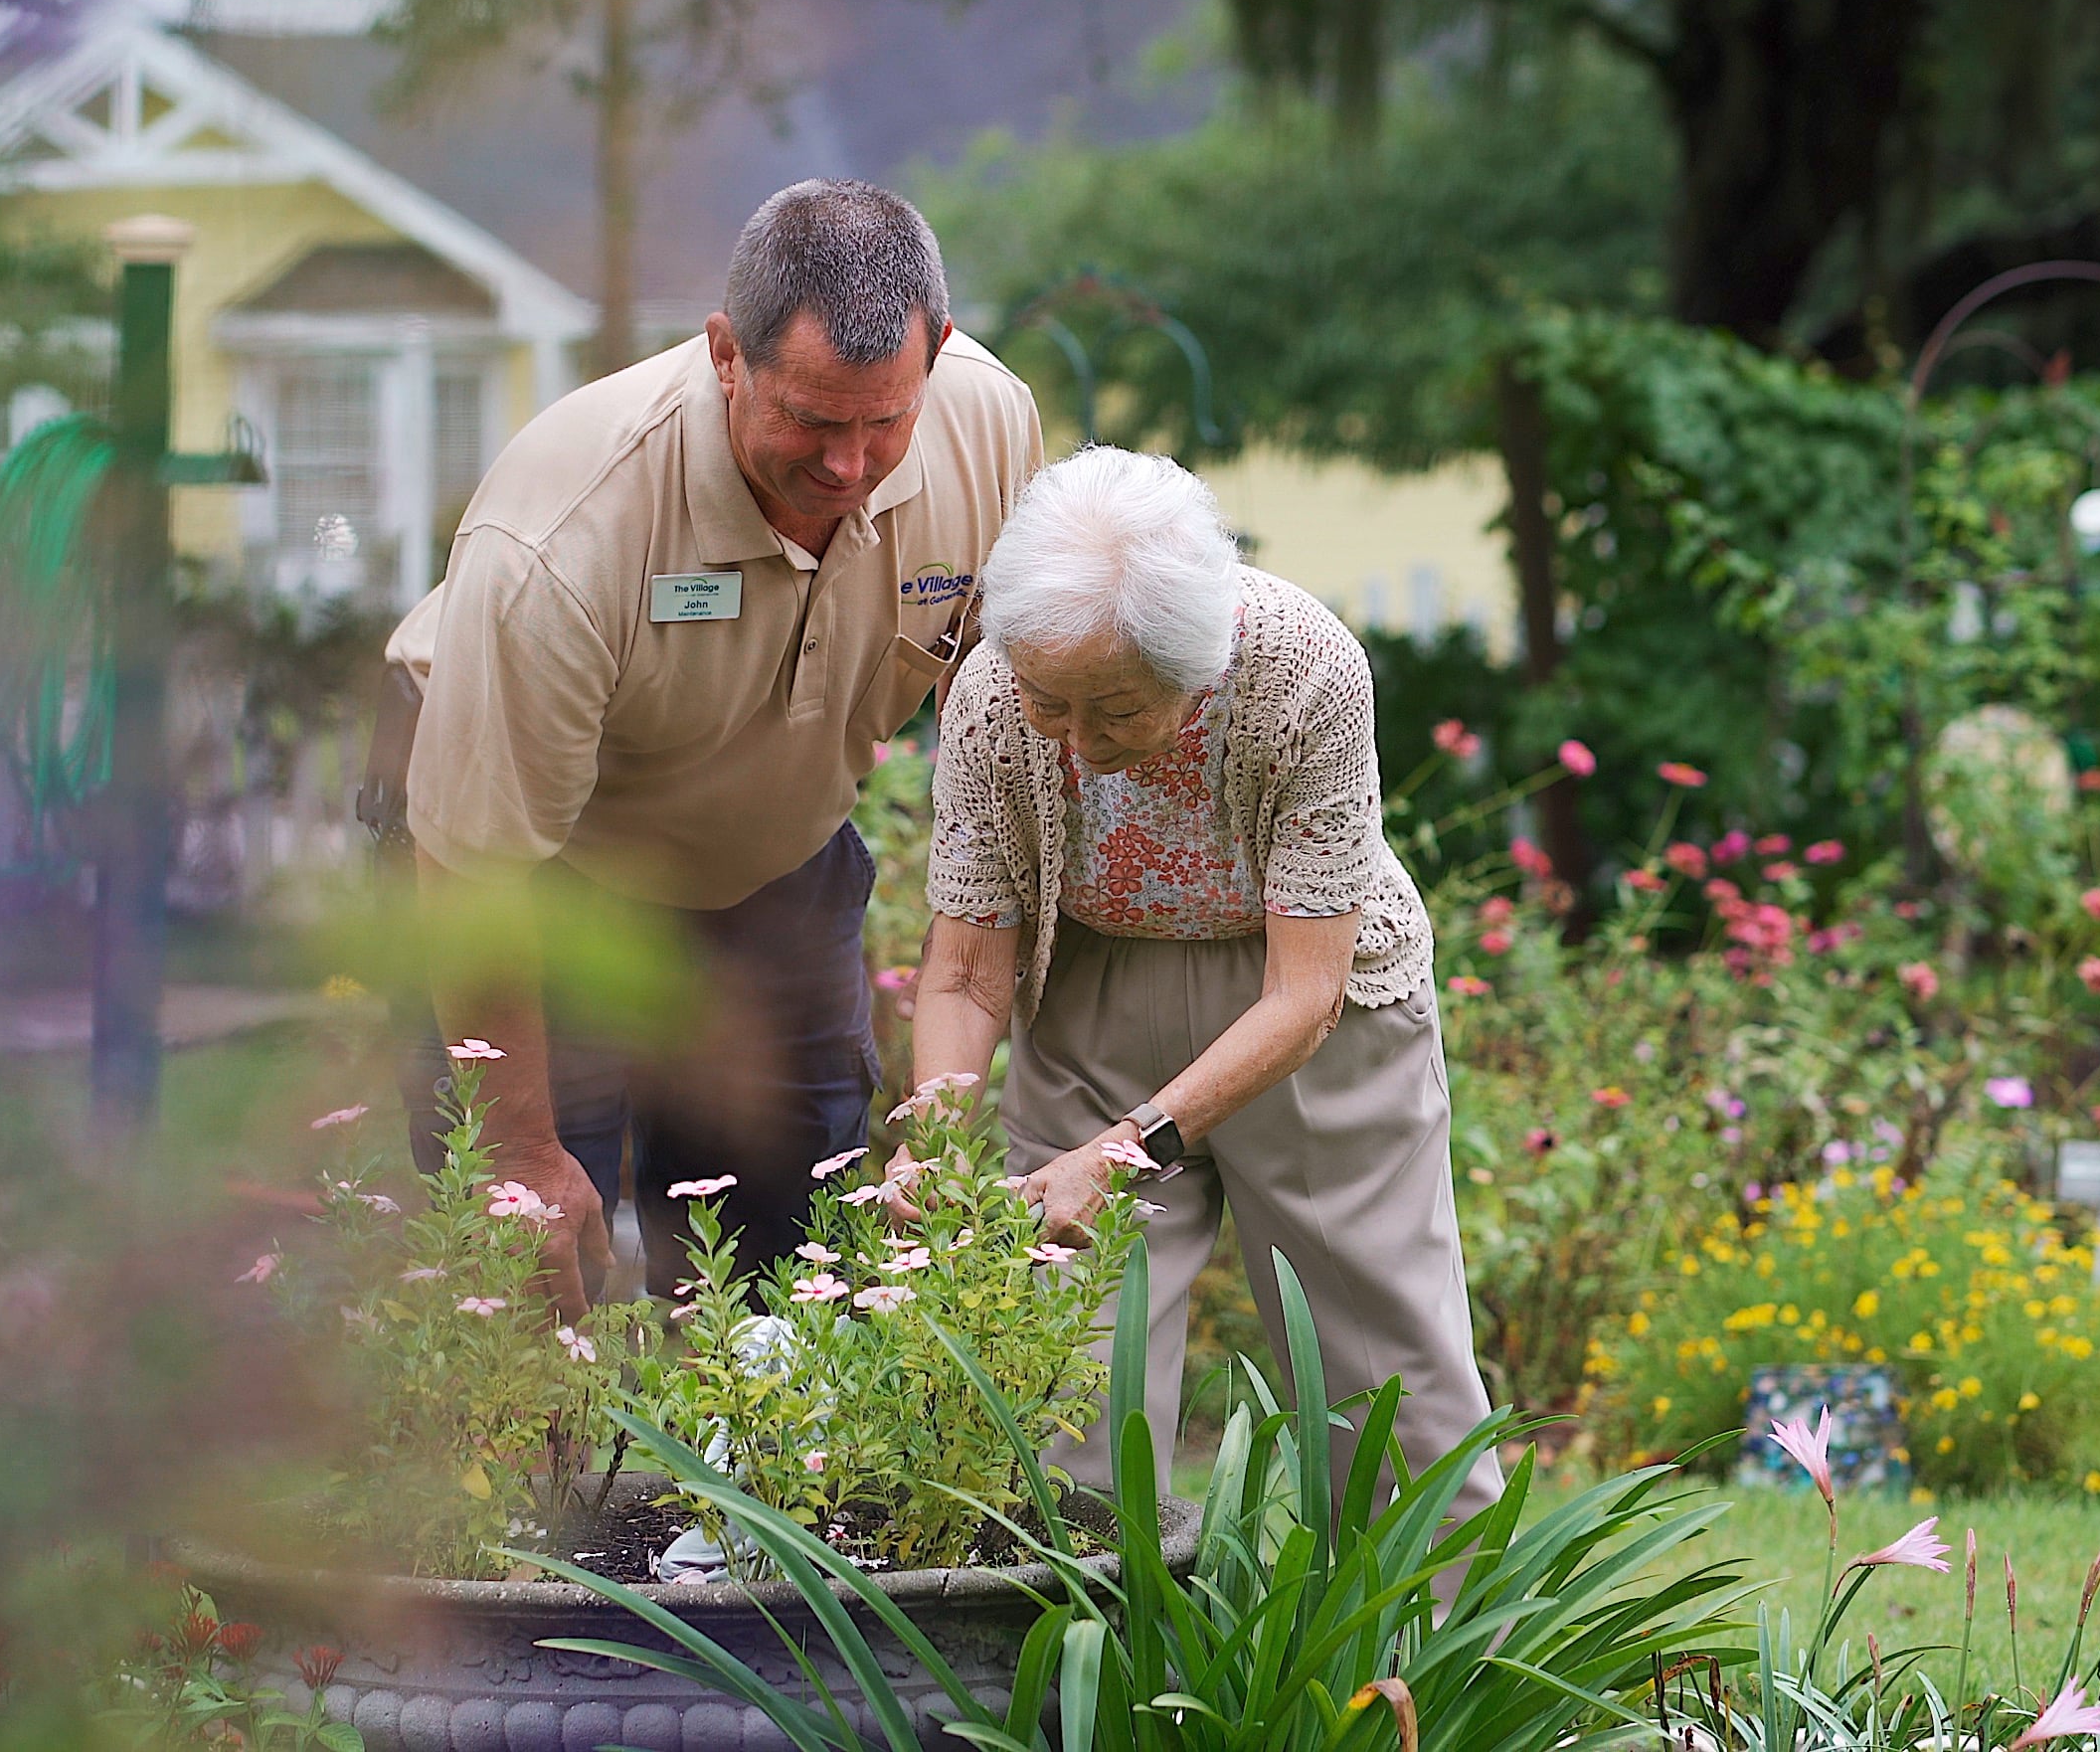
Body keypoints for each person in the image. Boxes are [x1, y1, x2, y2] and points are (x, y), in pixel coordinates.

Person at [383, 178, 1045, 1314]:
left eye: (883, 420)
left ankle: (762, 1494)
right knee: (533, 1264)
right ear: (725, 353)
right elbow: (475, 868)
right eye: (811, 421)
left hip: (774, 867)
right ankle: (522, 1491)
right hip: (537, 881)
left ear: (936, 350)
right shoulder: (564, 531)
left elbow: (1012, 695)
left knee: (793, 1271)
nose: (849, 466)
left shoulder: (988, 421)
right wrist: (522, 1156)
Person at [902, 445, 1498, 1518]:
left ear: (1196, 663)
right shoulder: (994, 694)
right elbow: (964, 968)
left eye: (1116, 710)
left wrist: (1130, 1150)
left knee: (1382, 1373)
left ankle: (1424, 1665)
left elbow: (1303, 996)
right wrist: (932, 1136)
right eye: (1051, 701)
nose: (1077, 745)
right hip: (1089, 990)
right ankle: (1064, 1668)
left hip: (1315, 1005)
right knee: (1058, 1370)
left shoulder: (1304, 669)